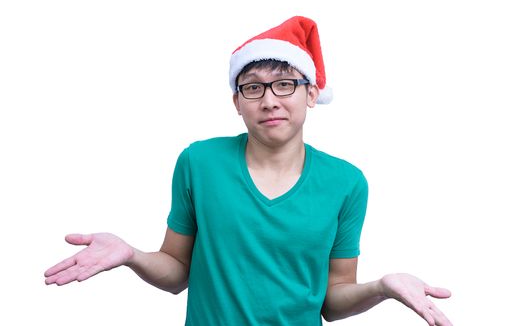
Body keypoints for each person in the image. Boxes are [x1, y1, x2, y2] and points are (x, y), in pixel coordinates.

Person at [44, 16, 452, 326]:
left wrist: (383, 287)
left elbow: (332, 300)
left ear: (311, 93)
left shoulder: (346, 183)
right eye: (253, 87)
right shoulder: (199, 162)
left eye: (285, 84)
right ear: (237, 102)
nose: (270, 100)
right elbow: (175, 272)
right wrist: (131, 255)